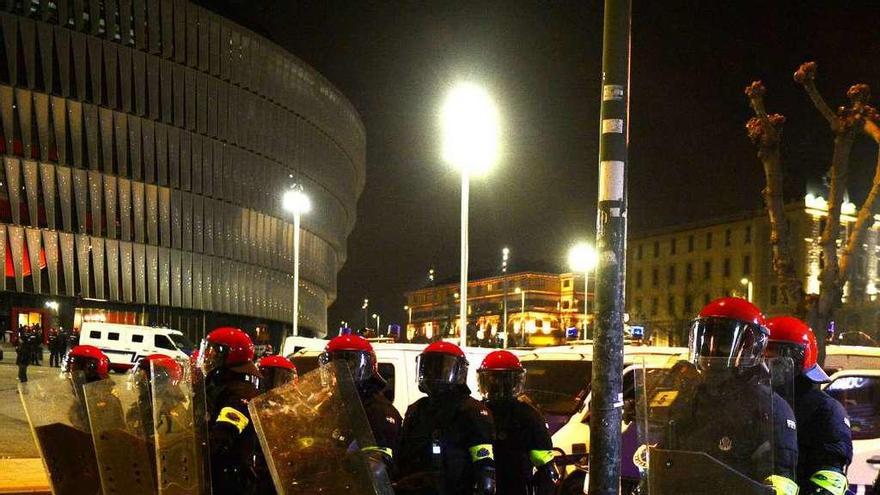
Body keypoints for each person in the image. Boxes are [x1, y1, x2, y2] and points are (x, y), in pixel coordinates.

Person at [644, 297, 799, 495]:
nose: (711, 350)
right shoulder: (689, 398)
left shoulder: (769, 408)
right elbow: (665, 458)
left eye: (723, 342)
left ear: (750, 346)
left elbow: (780, 481)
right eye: (705, 339)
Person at [765, 316, 852, 495]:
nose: (767, 364)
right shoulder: (755, 400)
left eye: (774, 356)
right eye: (762, 355)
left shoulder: (826, 410)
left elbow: (829, 476)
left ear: (797, 358)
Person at [397, 341, 496, 495]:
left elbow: (483, 461)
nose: (434, 374)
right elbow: (402, 454)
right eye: (429, 367)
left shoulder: (473, 411)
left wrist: (486, 482)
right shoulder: (416, 409)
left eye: (442, 368)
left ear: (460, 372)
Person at [477, 350, 559, 495]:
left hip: (507, 486)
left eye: (504, 382)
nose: (499, 387)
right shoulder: (528, 414)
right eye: (495, 380)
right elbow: (546, 465)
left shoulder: (475, 412)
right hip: (513, 485)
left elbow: (546, 467)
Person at [320, 335, 401, 476]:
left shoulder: (380, 412)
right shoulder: (330, 405)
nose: (340, 375)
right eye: (334, 368)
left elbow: (381, 468)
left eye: (349, 367)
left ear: (368, 367)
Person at [198, 327, 261, 495]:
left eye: (214, 353)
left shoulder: (241, 393)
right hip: (217, 473)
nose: (208, 357)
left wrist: (201, 446)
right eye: (207, 350)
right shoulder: (220, 385)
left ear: (230, 355)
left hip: (230, 477)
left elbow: (224, 434)